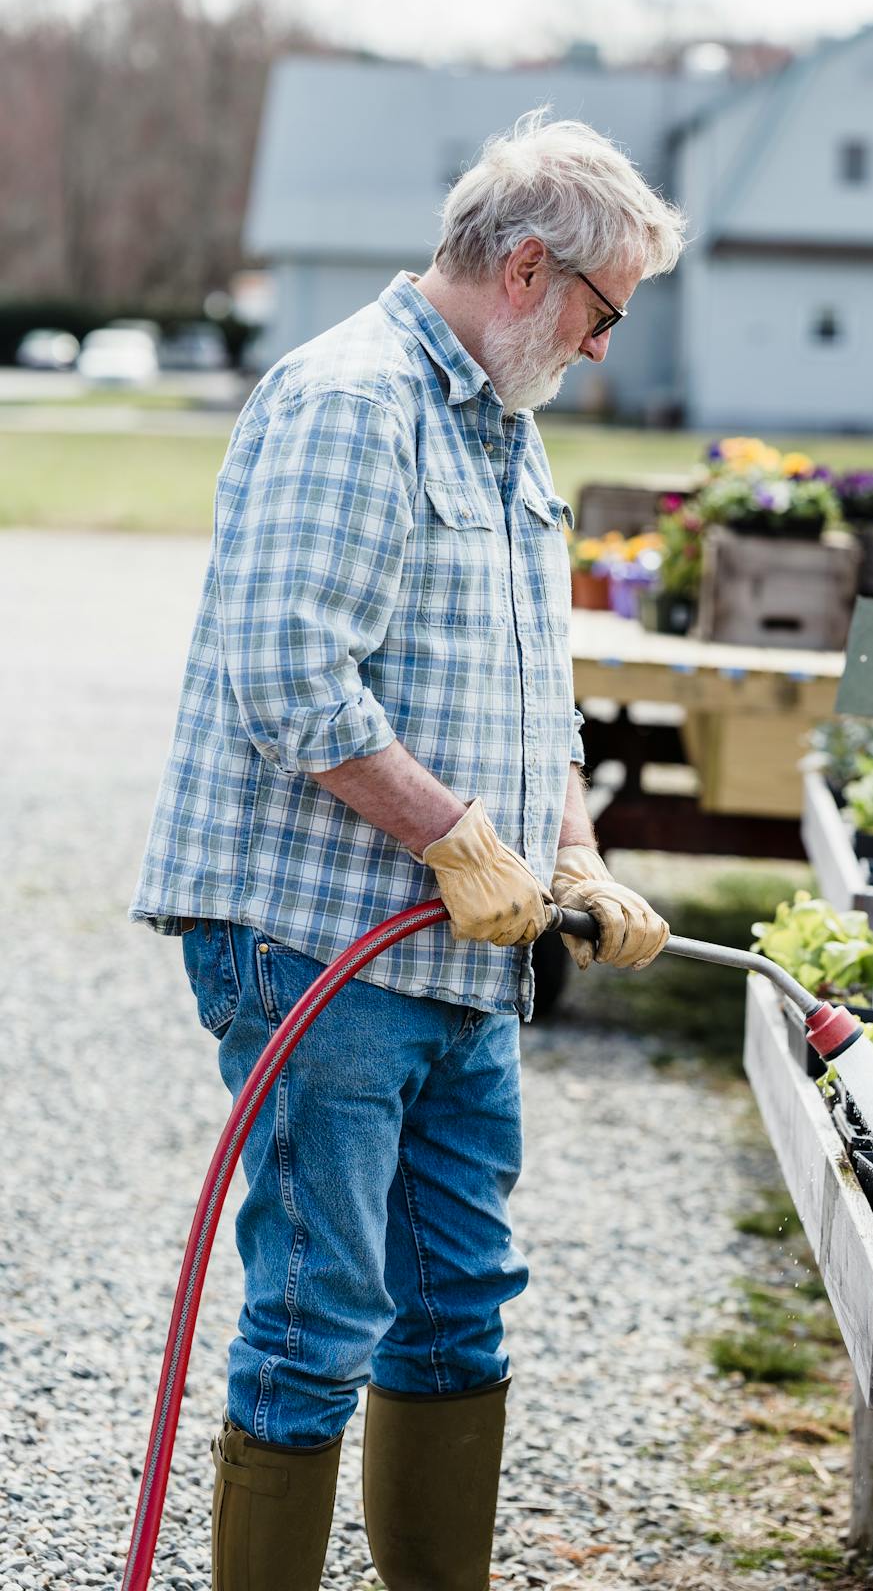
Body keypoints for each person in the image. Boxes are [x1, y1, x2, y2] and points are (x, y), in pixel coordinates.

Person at [130, 110, 688, 1590]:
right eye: (601, 311)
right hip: (317, 942)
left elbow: (535, 691)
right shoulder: (350, 403)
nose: (600, 348)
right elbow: (286, 678)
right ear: (524, 269)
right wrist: (453, 838)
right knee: (322, 1309)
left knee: (458, 1307)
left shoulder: (508, 439)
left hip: (465, 957)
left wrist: (573, 854)